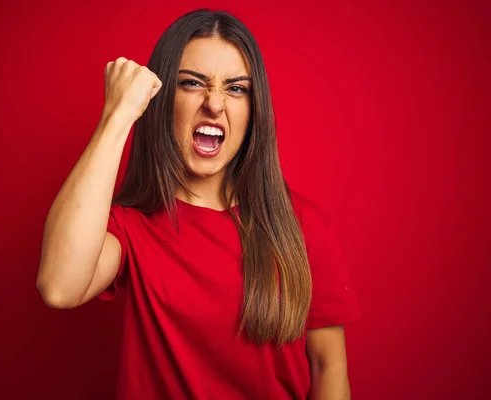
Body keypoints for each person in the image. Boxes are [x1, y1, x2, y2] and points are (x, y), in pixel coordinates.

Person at [37, 8, 360, 400]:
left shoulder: (302, 225)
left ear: (254, 109)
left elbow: (330, 368)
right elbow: (59, 287)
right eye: (192, 83)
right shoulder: (131, 227)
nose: (215, 104)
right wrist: (118, 114)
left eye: (236, 88)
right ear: (161, 99)